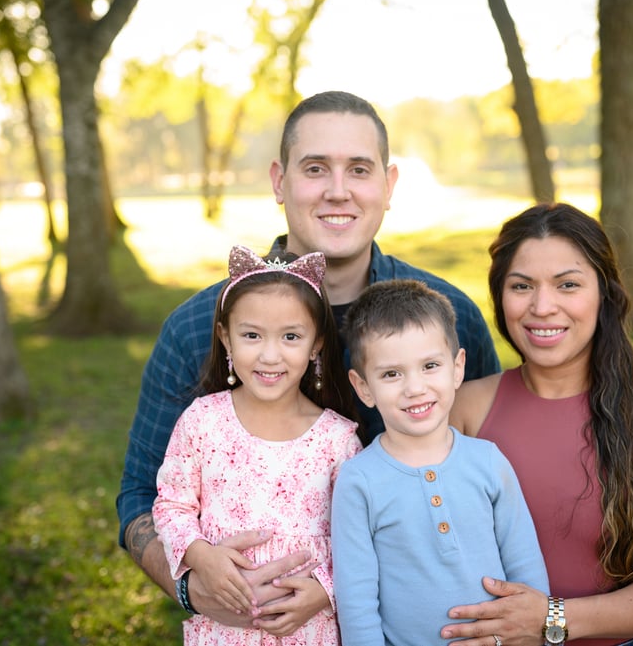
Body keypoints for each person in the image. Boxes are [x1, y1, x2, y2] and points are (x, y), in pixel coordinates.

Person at [117, 90, 501, 628]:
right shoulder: (195, 328)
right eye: (315, 168)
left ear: (388, 185)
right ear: (279, 181)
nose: (337, 191)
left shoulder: (450, 319)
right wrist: (193, 589)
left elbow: (493, 477)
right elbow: (141, 496)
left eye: (359, 170)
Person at [438, 202, 633, 646]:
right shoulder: (463, 410)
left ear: (604, 294)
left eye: (567, 284)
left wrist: (550, 619)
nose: (542, 306)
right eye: (521, 286)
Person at [152, 244, 363, 644]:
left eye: (290, 336)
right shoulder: (203, 421)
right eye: (251, 335)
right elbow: (172, 505)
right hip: (224, 632)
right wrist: (201, 556)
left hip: (310, 632)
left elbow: (362, 540)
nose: (269, 355)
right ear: (226, 338)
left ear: (316, 344)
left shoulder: (338, 441)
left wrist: (326, 592)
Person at [331, 279, 549, 645]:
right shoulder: (359, 480)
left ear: (457, 367)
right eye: (391, 374)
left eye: (430, 365)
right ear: (364, 387)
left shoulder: (488, 462)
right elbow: (357, 603)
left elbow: (526, 567)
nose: (415, 388)